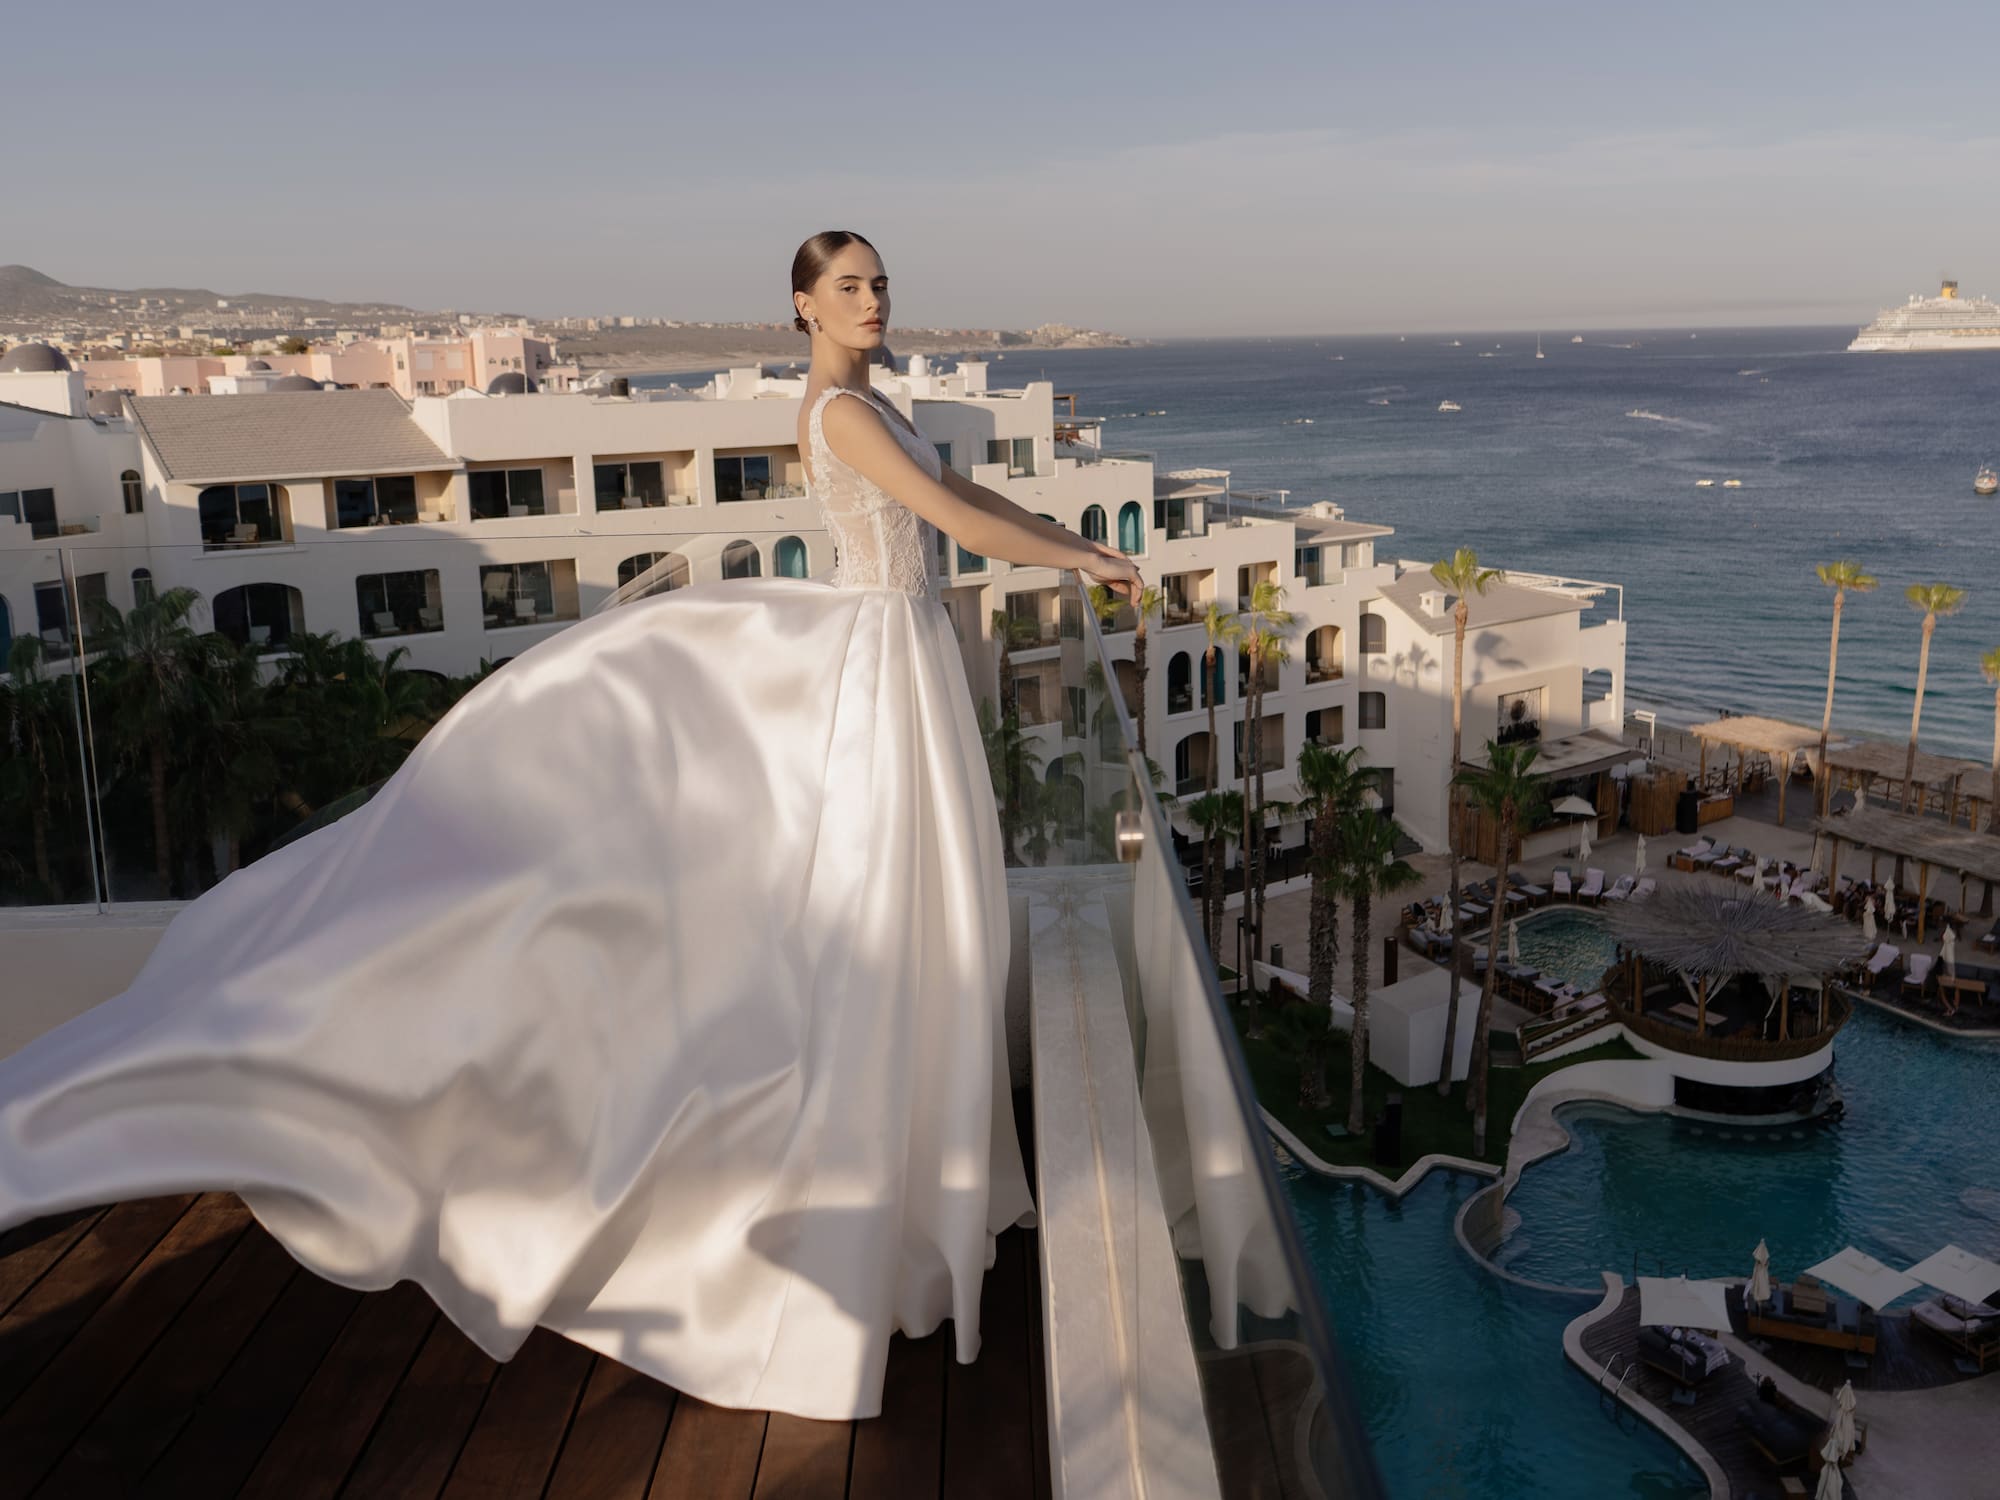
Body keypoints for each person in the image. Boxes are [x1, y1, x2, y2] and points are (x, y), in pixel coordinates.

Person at [0, 229, 1142, 1422]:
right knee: (870, 916)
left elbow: (965, 493)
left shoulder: (877, 400)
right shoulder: (840, 415)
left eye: (878, 283)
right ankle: (845, 1198)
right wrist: (1077, 561)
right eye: (845, 287)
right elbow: (947, 522)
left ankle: (904, 1183)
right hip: (874, 666)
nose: (870, 301)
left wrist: (1074, 547)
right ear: (800, 307)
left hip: (899, 660)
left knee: (903, 915)